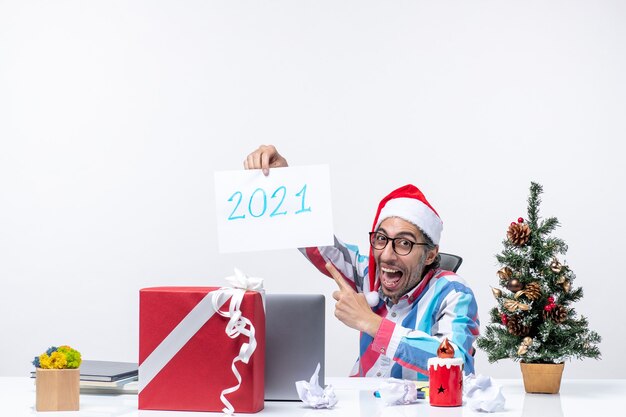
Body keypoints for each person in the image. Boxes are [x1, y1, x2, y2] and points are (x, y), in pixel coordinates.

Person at [244, 145, 479, 380]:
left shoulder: (454, 292)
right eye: (381, 239)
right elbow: (316, 241)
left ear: (430, 254)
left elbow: (457, 364)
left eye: (404, 243)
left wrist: (372, 324)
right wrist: (283, 181)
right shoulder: (369, 275)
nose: (387, 255)